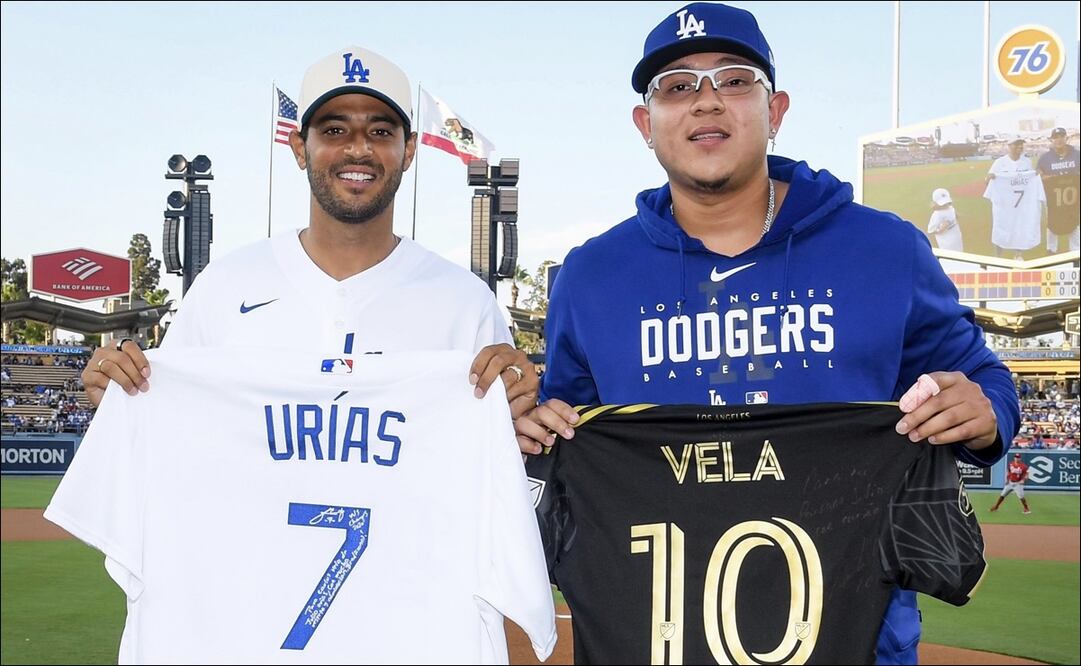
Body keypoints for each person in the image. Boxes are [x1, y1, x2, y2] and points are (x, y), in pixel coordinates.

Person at [514, 3, 1020, 664]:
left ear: (774, 109)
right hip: (650, 640)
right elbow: (568, 430)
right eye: (675, 86)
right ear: (645, 123)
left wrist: (981, 411)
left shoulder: (884, 250)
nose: (704, 103)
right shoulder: (590, 276)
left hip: (855, 643)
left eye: (732, 80)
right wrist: (533, 425)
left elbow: (986, 383)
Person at [82, 46, 537, 421]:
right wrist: (121, 389)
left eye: (380, 130)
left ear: (409, 150)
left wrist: (517, 409)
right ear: (300, 148)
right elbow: (167, 426)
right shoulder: (222, 288)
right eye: (334, 129)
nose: (358, 148)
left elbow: (492, 456)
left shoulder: (466, 302)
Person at [984, 137, 1045, 260]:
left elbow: (1030, 180)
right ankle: (998, 257)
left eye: (1021, 144)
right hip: (1004, 204)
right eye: (1016, 144)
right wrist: (989, 178)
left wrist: (1037, 174)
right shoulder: (999, 163)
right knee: (1001, 227)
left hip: (1022, 204)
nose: (1020, 147)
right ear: (1009, 145)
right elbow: (988, 182)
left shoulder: (1026, 162)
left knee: (1020, 226)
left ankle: (1018, 254)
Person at [1036, 127, 1080, 254]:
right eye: (1056, 137)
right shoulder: (1045, 157)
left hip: (1073, 197)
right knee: (1052, 223)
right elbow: (1038, 173)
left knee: (1074, 222)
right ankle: (1051, 250)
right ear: (1052, 140)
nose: (1059, 139)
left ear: (1066, 138)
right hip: (1052, 198)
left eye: (1061, 136)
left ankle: (1076, 251)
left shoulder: (1077, 154)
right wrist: (1049, 177)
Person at [927, 187, 963, 251]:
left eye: (946, 202)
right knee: (951, 257)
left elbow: (955, 215)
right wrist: (941, 229)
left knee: (959, 254)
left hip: (957, 239)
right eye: (943, 203)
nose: (945, 205)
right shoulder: (937, 215)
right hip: (946, 244)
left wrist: (956, 216)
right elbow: (931, 230)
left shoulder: (950, 208)